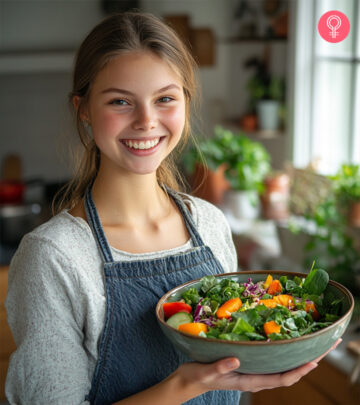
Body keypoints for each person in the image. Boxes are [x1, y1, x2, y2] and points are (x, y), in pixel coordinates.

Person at [5, 11, 340, 405]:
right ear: (83, 109)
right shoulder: (54, 256)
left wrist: (272, 356)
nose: (147, 121)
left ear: (185, 101)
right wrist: (188, 384)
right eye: (119, 101)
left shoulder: (210, 224)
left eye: (164, 98)